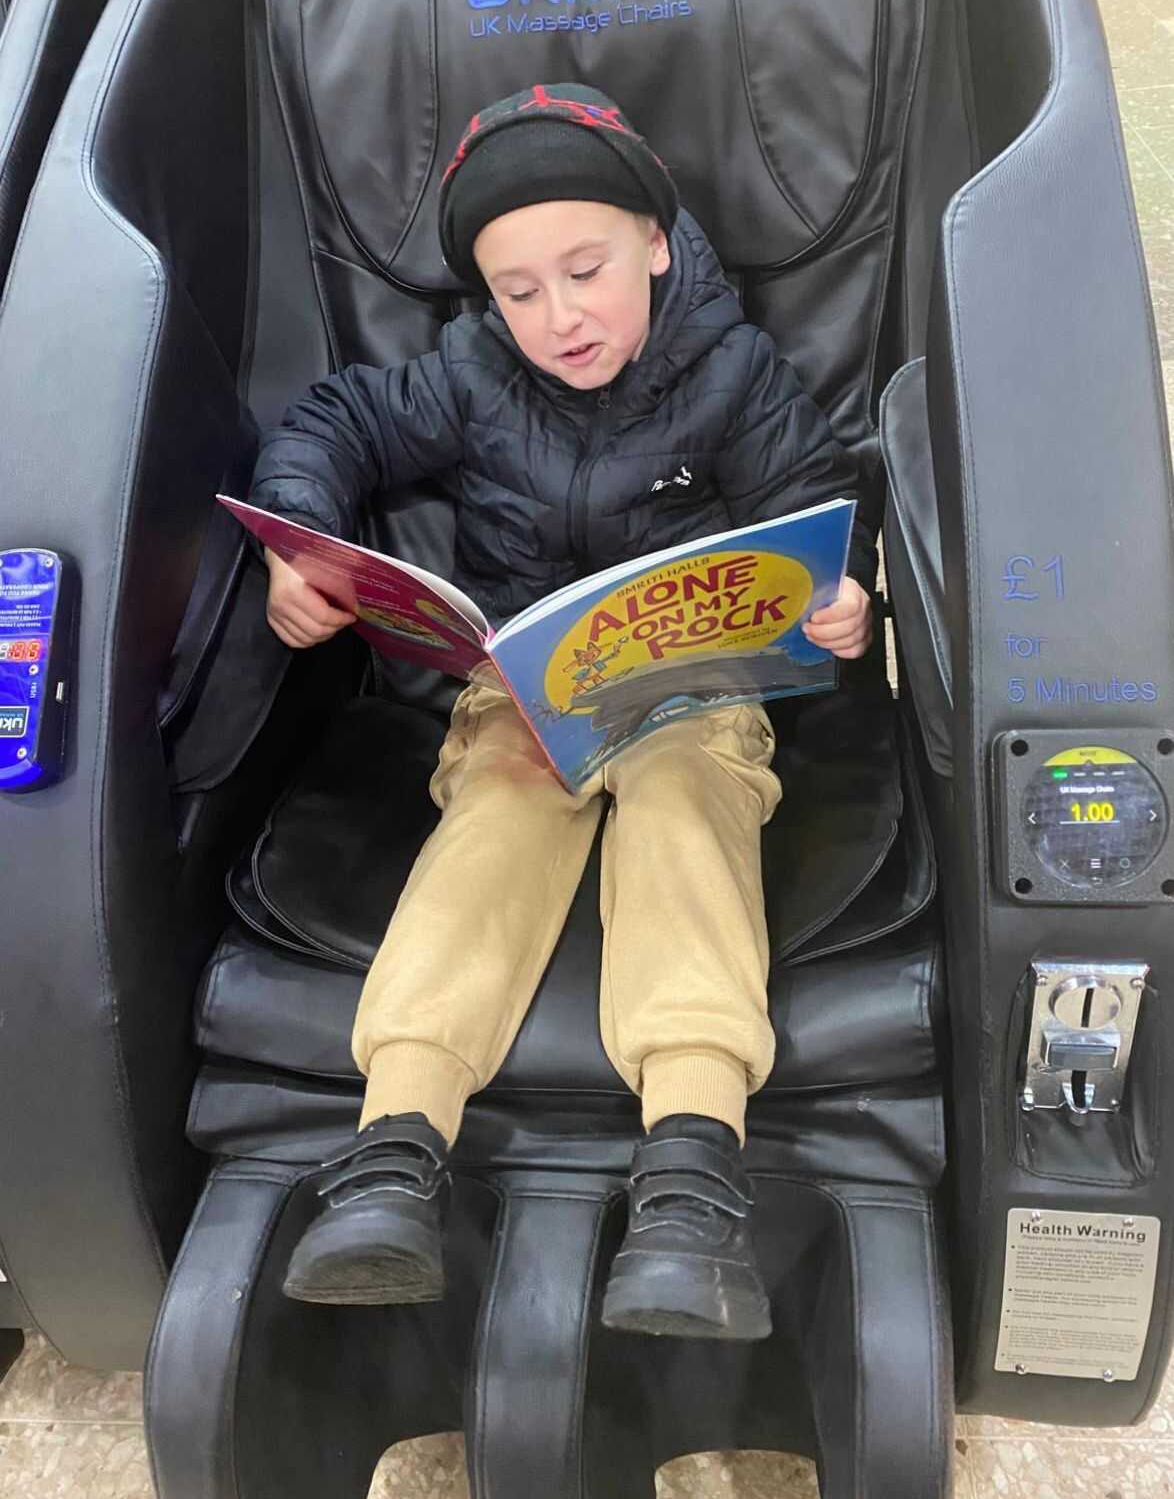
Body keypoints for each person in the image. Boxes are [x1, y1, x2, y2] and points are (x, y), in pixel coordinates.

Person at [249, 83, 875, 1342]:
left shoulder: (733, 372)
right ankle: (392, 1157)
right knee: (491, 817)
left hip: (694, 682)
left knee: (684, 811)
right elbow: (335, 425)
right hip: (527, 689)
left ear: (655, 242)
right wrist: (297, 546)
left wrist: (844, 596)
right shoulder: (472, 372)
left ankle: (690, 1179)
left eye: (586, 272)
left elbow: (815, 505)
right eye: (518, 292)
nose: (559, 318)